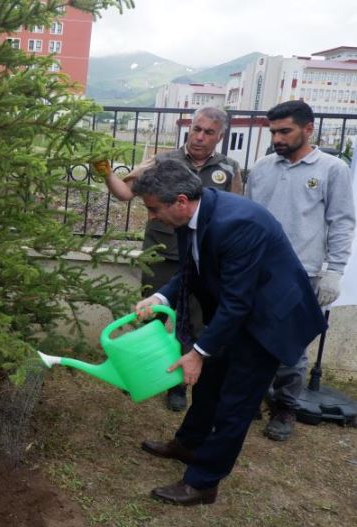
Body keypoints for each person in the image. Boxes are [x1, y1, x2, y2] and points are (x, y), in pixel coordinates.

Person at [131, 159, 325, 506]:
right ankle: (189, 444)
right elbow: (192, 264)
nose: (151, 217)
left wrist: (198, 352)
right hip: (239, 312)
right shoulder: (191, 213)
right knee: (208, 384)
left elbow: (238, 302)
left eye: (152, 209)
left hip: (269, 320)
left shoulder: (237, 224)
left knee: (235, 404)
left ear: (180, 201)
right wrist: (160, 295)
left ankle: (204, 483)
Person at [103, 106, 243, 412]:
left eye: (208, 132)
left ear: (220, 136)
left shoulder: (228, 168)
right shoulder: (164, 160)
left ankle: (176, 384)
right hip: (161, 254)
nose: (200, 137)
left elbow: (234, 207)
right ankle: (138, 371)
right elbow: (126, 193)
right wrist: (106, 172)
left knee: (191, 324)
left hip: (201, 260)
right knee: (149, 316)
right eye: (196, 129)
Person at [245, 100, 355, 441]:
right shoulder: (262, 168)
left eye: (285, 131)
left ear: (308, 129)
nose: (277, 138)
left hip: (300, 273)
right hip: (256, 270)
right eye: (273, 131)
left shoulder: (331, 169)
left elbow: (341, 223)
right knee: (249, 340)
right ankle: (250, 400)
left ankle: (286, 407)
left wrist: (333, 271)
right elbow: (247, 217)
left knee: (290, 348)